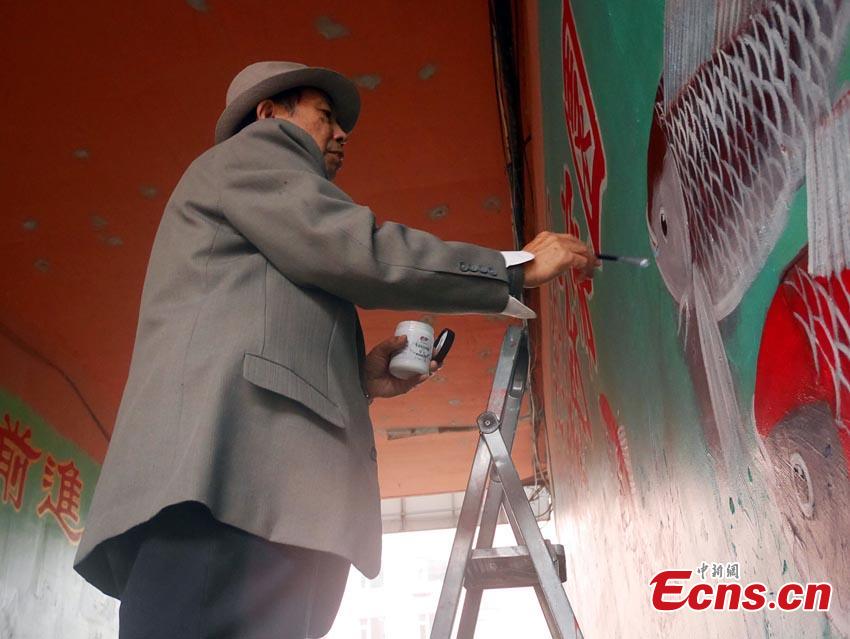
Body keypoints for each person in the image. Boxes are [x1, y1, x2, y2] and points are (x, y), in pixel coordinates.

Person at [73, 61, 599, 638]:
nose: (343, 133)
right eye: (325, 115)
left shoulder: (259, 210)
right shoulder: (251, 156)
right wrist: (510, 269)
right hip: (225, 497)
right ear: (268, 114)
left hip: (259, 506)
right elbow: (355, 251)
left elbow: (271, 325)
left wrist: (357, 380)